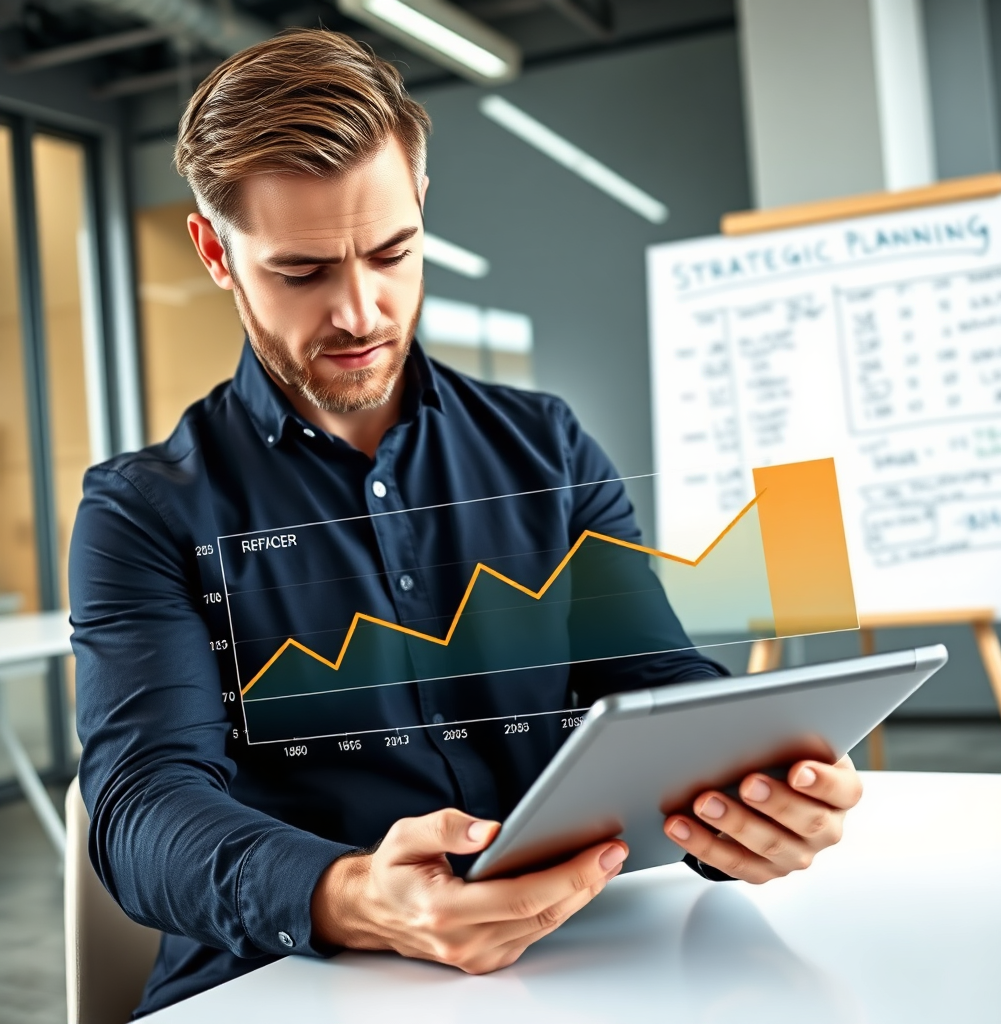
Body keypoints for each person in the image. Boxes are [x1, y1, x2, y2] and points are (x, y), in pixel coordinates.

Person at [70, 29, 862, 1017]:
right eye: (303, 271)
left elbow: (653, 689)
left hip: (566, 968)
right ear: (214, 252)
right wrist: (355, 895)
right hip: (286, 987)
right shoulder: (142, 510)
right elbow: (142, 808)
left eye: (392, 253)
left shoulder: (549, 447)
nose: (361, 310)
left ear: (421, 208)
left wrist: (742, 807)